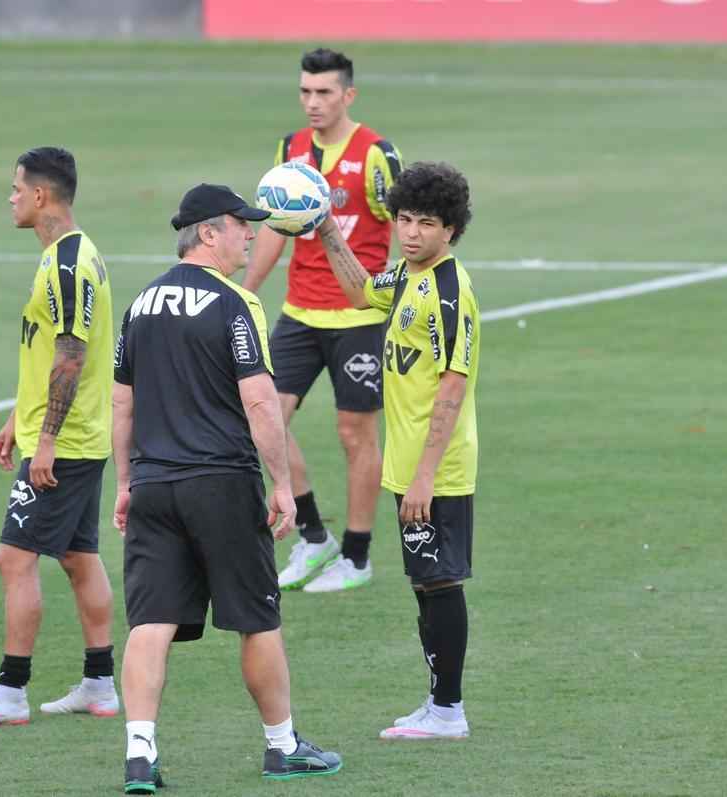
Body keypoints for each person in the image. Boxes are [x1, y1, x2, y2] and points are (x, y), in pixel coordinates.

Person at [112, 183, 343, 793]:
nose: (252, 235)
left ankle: (140, 755)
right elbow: (261, 401)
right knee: (256, 620)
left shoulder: (140, 304)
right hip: (220, 481)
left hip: (155, 487)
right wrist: (284, 484)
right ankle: (282, 746)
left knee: (151, 622)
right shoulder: (235, 303)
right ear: (208, 233)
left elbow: (121, 402)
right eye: (242, 225)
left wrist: (127, 482)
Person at [0, 147, 119, 728]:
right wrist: (17, 419)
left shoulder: (66, 264)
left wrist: (42, 441)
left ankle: (10, 694)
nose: (11, 197)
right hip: (76, 436)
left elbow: (71, 355)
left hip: (63, 445)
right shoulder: (73, 255)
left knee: (14, 561)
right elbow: (50, 352)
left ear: (42, 196)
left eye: (17, 188)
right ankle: (99, 684)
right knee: (77, 555)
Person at [314, 162, 479, 739]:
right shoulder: (407, 279)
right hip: (409, 468)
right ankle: (438, 704)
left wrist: (426, 477)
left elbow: (454, 388)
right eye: (404, 219)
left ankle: (448, 711)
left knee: (439, 582)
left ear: (451, 230)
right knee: (425, 584)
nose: (410, 232)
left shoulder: (449, 294)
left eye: (426, 223)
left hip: (436, 472)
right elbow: (361, 289)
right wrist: (328, 229)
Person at [243, 47, 403, 593]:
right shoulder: (290, 151)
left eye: (324, 92)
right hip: (299, 313)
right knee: (264, 419)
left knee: (354, 433)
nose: (313, 102)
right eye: (306, 92)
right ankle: (314, 539)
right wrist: (242, 294)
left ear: (348, 95)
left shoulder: (377, 155)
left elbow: (407, 229)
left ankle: (356, 557)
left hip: (358, 318)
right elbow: (271, 228)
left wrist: (399, 300)